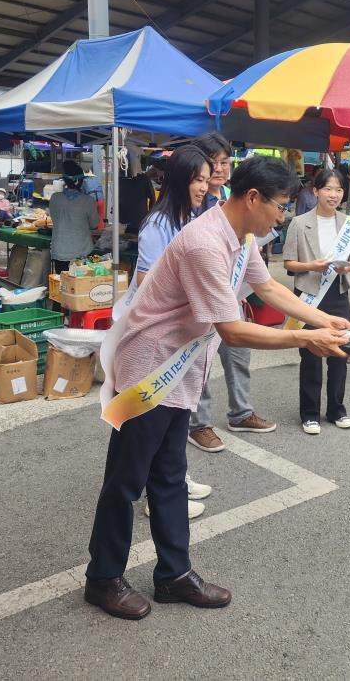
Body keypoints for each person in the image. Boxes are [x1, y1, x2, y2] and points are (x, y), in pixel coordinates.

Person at [85, 156, 350, 620]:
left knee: (169, 476)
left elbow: (267, 287)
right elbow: (232, 330)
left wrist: (321, 317)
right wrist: (305, 338)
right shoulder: (205, 243)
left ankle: (173, 574)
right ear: (253, 198)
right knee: (126, 482)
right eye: (281, 205)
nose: (282, 215)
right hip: (151, 371)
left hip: (180, 370)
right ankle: (103, 578)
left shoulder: (239, 234)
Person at [114, 147, 216, 519]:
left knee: (173, 420)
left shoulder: (190, 217)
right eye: (198, 178)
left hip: (178, 331)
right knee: (153, 421)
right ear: (178, 178)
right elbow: (146, 278)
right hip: (154, 334)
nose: (204, 186)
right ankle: (160, 495)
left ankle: (176, 484)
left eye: (207, 178)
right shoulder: (158, 224)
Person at [187, 133, 278, 453]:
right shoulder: (192, 206)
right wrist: (307, 337)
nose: (219, 169)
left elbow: (266, 282)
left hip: (234, 292)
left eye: (225, 163)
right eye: (213, 164)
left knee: (237, 356)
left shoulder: (232, 199)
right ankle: (199, 423)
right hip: (200, 304)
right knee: (201, 362)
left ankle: (241, 412)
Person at [282, 168, 350, 435]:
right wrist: (312, 266)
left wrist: (348, 267)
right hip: (307, 295)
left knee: (340, 353)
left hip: (338, 294)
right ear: (315, 191)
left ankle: (337, 409)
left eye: (339, 189)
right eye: (328, 189)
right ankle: (310, 413)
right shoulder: (298, 222)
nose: (334, 194)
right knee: (311, 354)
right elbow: (289, 263)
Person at [48, 160, 100, 273]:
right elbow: (95, 225)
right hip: (81, 252)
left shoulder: (55, 198)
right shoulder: (88, 201)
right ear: (81, 181)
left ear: (65, 180)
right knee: (80, 287)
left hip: (60, 252)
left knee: (62, 286)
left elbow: (54, 219)